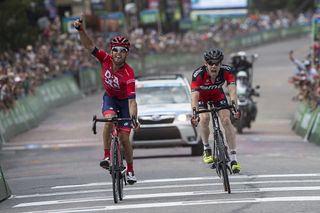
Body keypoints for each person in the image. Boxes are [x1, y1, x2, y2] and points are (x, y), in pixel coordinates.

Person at [73, 18, 140, 184]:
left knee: (125, 139)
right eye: (115, 49)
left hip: (125, 103)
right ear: (111, 51)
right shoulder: (105, 59)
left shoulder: (129, 74)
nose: (118, 53)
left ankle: (130, 170)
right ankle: (107, 156)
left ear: (126, 53)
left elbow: (132, 101)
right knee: (109, 121)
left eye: (122, 50)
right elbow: (89, 46)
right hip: (110, 98)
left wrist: (134, 118)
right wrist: (81, 30)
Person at [190, 48, 241, 173]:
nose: (214, 66)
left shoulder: (227, 71)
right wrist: (194, 113)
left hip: (218, 95)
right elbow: (195, 96)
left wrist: (235, 107)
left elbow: (232, 90)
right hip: (201, 97)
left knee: (226, 121)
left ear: (221, 64)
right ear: (205, 64)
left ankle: (234, 159)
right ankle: (207, 149)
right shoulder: (198, 74)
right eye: (211, 63)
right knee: (205, 118)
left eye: (217, 63)